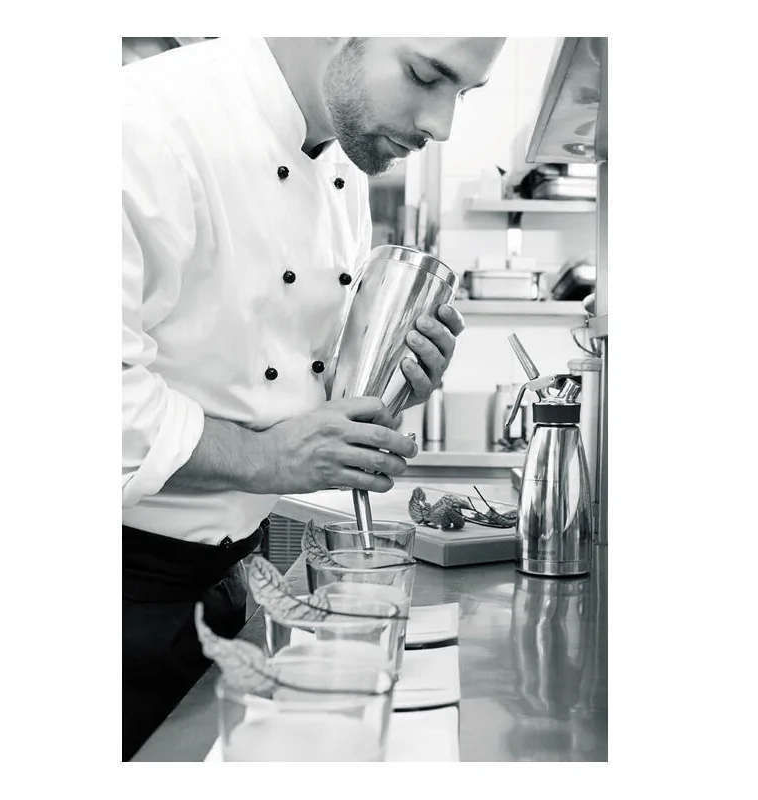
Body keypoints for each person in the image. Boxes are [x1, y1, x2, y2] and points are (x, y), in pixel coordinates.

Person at [122, 36, 505, 760]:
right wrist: (268, 459)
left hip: (230, 582)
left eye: (465, 92)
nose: (443, 124)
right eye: (425, 75)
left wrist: (390, 380)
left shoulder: (344, 163)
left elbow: (291, 380)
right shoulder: (143, 126)